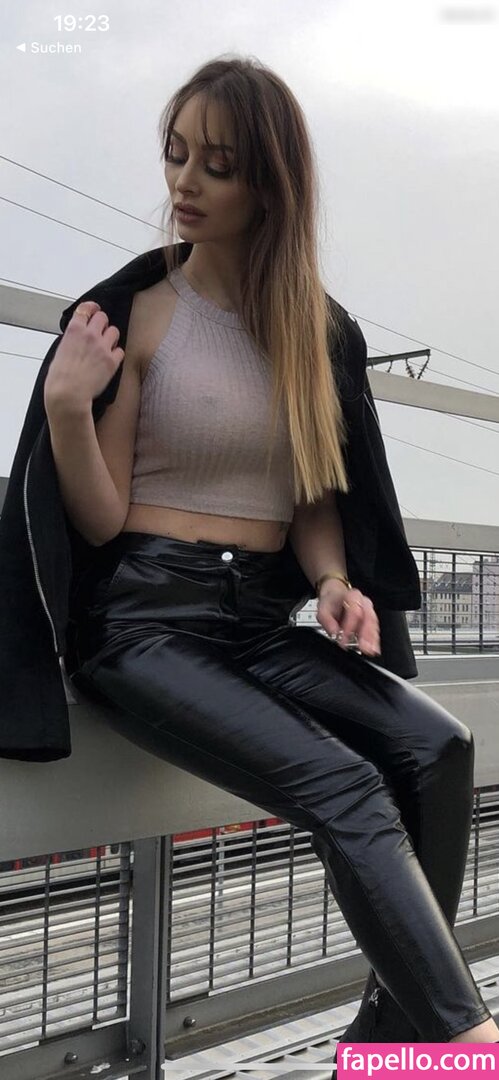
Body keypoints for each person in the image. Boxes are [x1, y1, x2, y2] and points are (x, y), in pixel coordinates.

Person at [2, 56, 498, 1047]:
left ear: (269, 185)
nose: (184, 183)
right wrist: (65, 406)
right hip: (143, 625)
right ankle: (463, 1047)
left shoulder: (313, 331)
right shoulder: (140, 313)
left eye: (216, 165)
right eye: (176, 154)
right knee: (347, 785)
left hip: (258, 622)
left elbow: (311, 495)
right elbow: (97, 519)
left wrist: (333, 580)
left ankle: (385, 1047)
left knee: (437, 751)